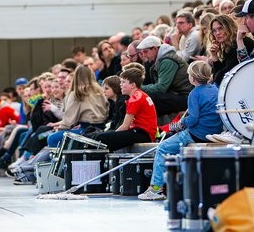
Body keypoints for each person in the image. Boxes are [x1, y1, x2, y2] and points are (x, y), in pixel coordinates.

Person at [138, 61, 223, 201]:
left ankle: (156, 189)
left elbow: (193, 118)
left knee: (163, 148)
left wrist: (180, 124)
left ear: (193, 78)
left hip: (197, 134)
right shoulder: (216, 89)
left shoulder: (195, 93)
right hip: (214, 132)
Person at [94, 66, 158, 151]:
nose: (120, 85)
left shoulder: (135, 98)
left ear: (132, 85)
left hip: (143, 133)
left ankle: (101, 164)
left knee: (101, 138)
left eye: (123, 82)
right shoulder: (138, 95)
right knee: (105, 138)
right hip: (142, 132)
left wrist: (113, 135)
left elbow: (125, 126)